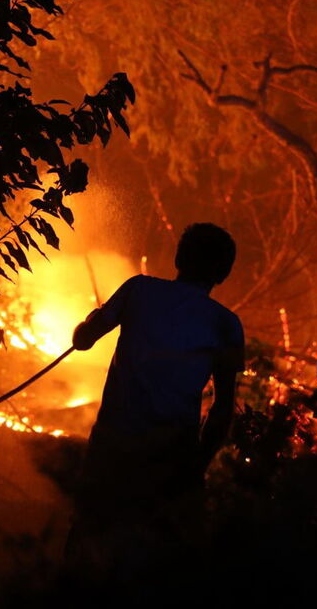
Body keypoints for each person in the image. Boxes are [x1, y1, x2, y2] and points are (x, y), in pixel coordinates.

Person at [65, 222, 245, 589]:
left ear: (178, 258)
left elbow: (82, 340)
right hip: (172, 454)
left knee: (89, 543)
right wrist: (197, 464)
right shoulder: (226, 324)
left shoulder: (139, 289)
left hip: (112, 445)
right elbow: (223, 408)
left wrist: (94, 318)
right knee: (158, 561)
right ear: (224, 273)